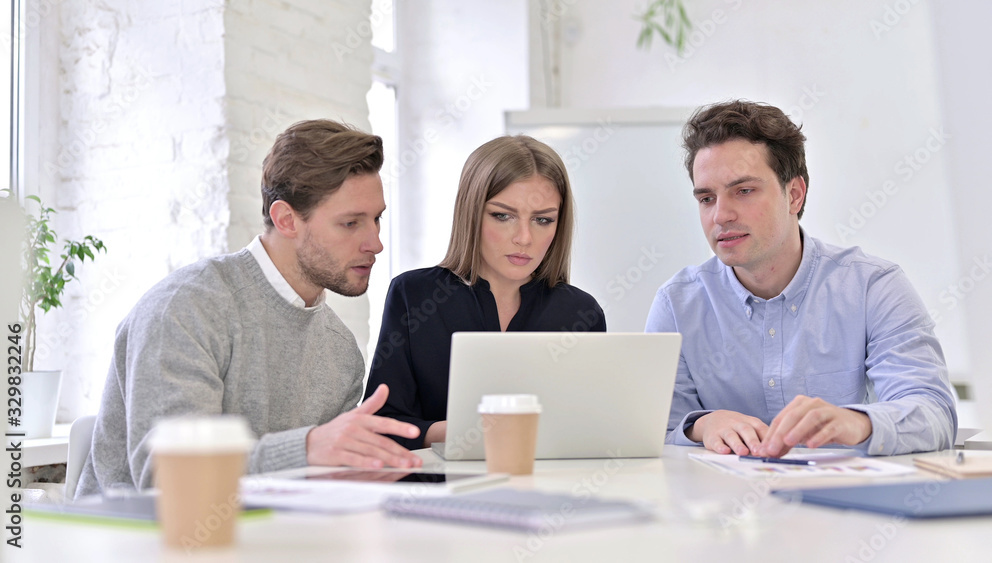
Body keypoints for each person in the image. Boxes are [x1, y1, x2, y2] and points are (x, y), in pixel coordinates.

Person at [77, 120, 422, 498]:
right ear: (286, 219)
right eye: (351, 223)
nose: (375, 243)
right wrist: (306, 449)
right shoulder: (185, 309)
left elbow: (318, 488)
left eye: (377, 219)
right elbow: (168, 478)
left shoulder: (341, 352)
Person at [646, 100, 956, 457]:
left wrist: (858, 422)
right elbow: (653, 430)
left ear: (794, 195)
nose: (721, 215)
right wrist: (701, 425)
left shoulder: (873, 287)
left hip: (845, 503)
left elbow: (935, 414)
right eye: (706, 198)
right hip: (721, 507)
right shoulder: (677, 304)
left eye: (743, 191)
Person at [364, 135, 606, 450]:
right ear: (472, 212)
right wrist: (465, 433)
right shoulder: (415, 295)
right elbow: (380, 425)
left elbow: (595, 430)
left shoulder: (581, 313)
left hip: (546, 493)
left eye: (543, 220)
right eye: (503, 216)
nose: (524, 238)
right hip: (434, 493)